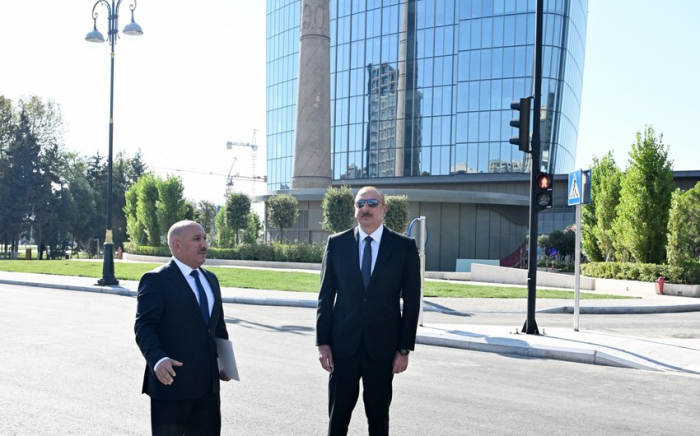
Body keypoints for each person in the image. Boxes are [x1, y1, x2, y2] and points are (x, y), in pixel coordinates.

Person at [316, 186, 421, 436]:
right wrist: (322, 343)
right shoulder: (337, 244)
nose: (365, 208)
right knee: (338, 419)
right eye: (360, 204)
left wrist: (403, 349)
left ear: (384, 209)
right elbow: (325, 296)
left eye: (372, 203)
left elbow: (413, 302)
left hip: (382, 351)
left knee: (378, 420)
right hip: (343, 349)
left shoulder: (404, 248)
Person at [135, 220, 231, 436]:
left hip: (208, 388)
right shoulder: (156, 280)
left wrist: (225, 362)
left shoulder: (211, 280)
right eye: (197, 239)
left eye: (205, 237)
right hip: (172, 385)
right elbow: (144, 326)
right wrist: (157, 360)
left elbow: (218, 327)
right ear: (177, 246)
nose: (204, 243)